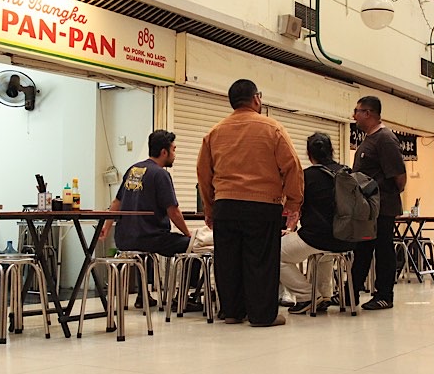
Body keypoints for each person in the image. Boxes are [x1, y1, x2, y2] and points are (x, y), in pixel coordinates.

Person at [197, 79, 303, 327]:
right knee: (261, 261)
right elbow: (292, 167)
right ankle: (262, 315)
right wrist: (294, 203)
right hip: (262, 206)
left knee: (228, 261)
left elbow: (204, 174)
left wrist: (210, 207)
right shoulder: (272, 129)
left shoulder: (214, 132)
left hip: (226, 205)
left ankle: (232, 312)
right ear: (256, 98)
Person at [99, 130, 200, 311]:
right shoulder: (160, 174)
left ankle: (142, 296)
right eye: (174, 150)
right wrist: (188, 234)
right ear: (164, 152)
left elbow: (117, 202)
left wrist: (106, 228)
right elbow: (173, 211)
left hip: (124, 238)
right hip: (149, 238)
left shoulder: (134, 170)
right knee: (192, 247)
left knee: (143, 247)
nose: (175, 155)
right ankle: (183, 297)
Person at [280, 133, 354, 314]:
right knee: (325, 253)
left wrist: (287, 227)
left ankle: (306, 296)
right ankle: (324, 295)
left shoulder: (306, 176)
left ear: (308, 153)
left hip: (317, 237)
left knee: (273, 253)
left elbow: (293, 206)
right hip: (347, 238)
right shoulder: (347, 172)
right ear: (331, 151)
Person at [348, 96, 406, 311]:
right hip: (367, 207)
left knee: (383, 248)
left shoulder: (385, 139)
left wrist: (387, 195)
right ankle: (351, 291)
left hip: (382, 205)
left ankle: (384, 294)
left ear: (368, 113)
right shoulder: (368, 139)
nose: (354, 115)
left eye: (357, 111)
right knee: (363, 248)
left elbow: (399, 176)